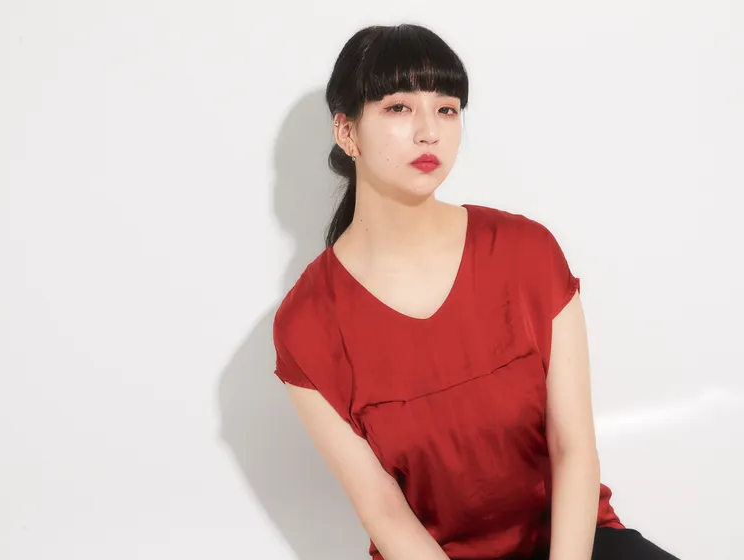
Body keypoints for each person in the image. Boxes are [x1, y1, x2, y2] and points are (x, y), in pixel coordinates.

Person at [272, 23, 680, 560]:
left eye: (446, 109)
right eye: (399, 108)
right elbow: (383, 511)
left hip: (572, 544)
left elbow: (573, 448)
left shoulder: (527, 253)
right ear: (347, 133)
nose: (429, 132)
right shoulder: (307, 324)